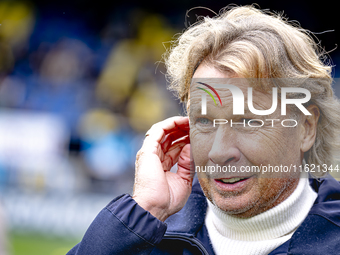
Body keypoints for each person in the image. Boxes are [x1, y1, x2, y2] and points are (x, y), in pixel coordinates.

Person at [67, 5, 340, 255]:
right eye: (205, 122)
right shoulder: (145, 237)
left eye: (247, 121)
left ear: (305, 129)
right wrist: (144, 211)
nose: (219, 153)